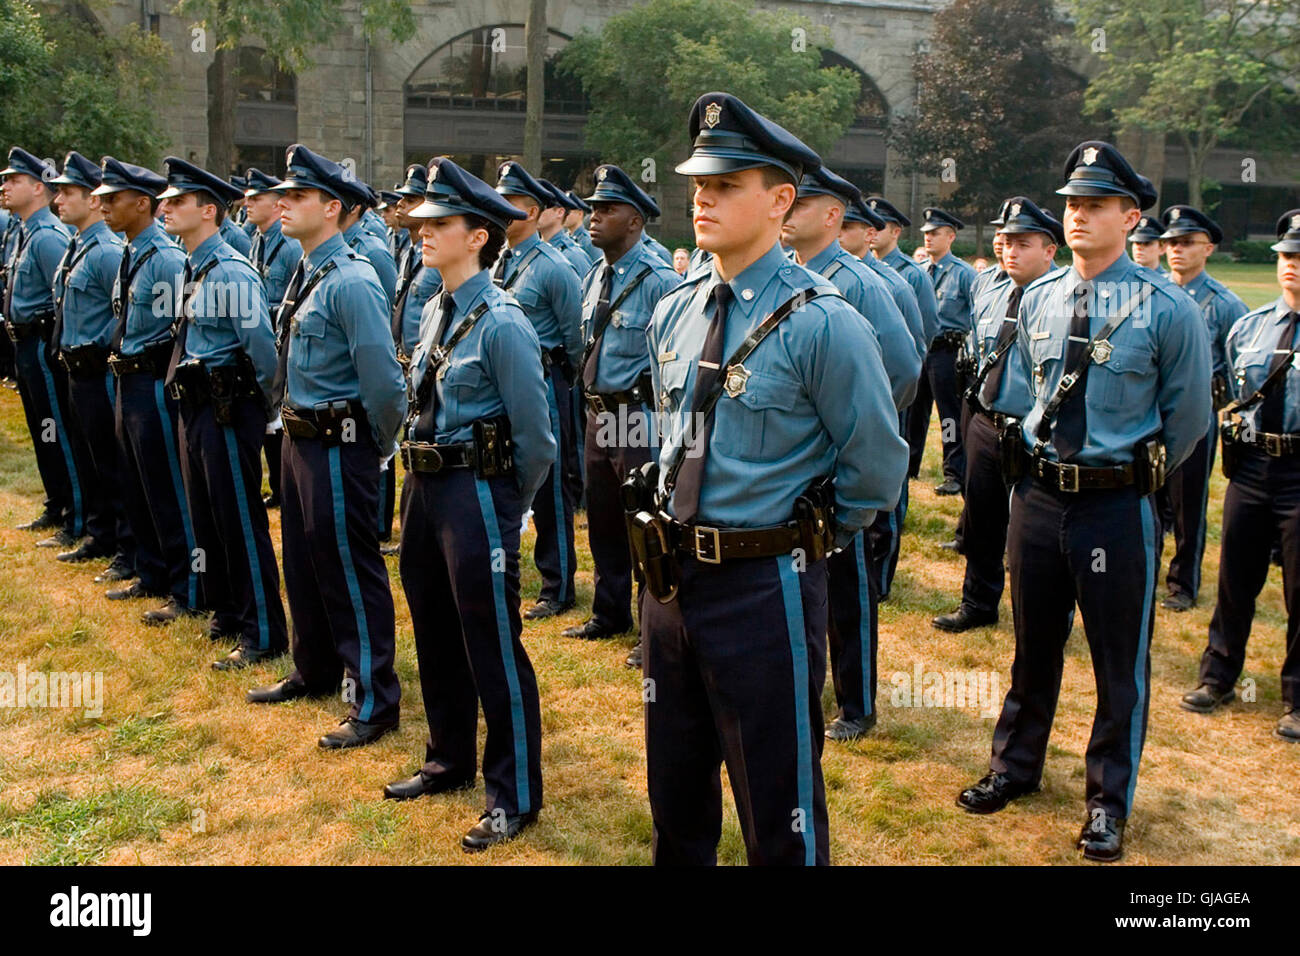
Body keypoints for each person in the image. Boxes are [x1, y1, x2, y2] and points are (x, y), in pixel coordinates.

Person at [639, 93, 907, 865]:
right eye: (699, 183)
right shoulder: (678, 307)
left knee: (777, 804)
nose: (702, 197)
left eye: (725, 184)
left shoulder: (823, 320)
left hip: (767, 587)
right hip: (669, 580)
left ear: (781, 199)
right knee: (676, 796)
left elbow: (875, 467)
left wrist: (804, 534)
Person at [956, 142, 1210, 863]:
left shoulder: (1168, 310)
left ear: (1131, 218)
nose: (1078, 217)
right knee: (1032, 644)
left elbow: (1188, 419)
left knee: (1116, 661)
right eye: (1071, 205)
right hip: (1037, 498)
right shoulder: (1037, 297)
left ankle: (1107, 800)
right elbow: (1020, 396)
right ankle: (1014, 765)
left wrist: (1124, 472)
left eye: (1095, 206)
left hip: (1112, 504)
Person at [381, 156, 555, 853]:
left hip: (477, 490)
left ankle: (513, 793)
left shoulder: (503, 322)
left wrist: (512, 508)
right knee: (432, 624)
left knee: (491, 641)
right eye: (422, 221)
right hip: (425, 487)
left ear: (479, 235)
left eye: (440, 223)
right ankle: (447, 756)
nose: (423, 231)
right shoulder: (434, 307)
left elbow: (537, 437)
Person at [245, 145, 407, 749]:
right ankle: (313, 669)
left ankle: (373, 698)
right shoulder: (309, 269)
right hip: (299, 438)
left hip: (340, 445)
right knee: (305, 561)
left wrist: (377, 446)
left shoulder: (355, 279)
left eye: (296, 197)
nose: (282, 204)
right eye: (281, 195)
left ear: (332, 207)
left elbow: (385, 384)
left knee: (347, 567)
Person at [781, 163, 921, 742]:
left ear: (834, 215)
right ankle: (804, 687)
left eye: (802, 204)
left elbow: (905, 368)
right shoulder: (786, 276)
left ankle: (857, 701)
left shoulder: (860, 283)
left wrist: (859, 431)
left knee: (848, 585)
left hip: (838, 466)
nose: (787, 213)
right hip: (796, 467)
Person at [158, 157, 288, 669]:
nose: (165, 207)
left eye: (177, 201)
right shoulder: (195, 264)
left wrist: (265, 406)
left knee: (238, 517)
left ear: (208, 210)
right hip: (197, 407)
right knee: (208, 515)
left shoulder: (231, 269)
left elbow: (262, 348)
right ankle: (229, 610)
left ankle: (264, 631)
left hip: (228, 409)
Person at [1181, 209, 1300, 742]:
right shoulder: (1250, 327)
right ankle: (1218, 675)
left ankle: (1297, 697)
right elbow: (1231, 390)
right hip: (1252, 470)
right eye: (1287, 257)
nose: (1292, 266)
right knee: (1235, 578)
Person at [560, 164, 679, 664]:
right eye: (592, 208)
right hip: (597, 414)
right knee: (604, 518)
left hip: (636, 416)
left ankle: (650, 624)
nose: (593, 217)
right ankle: (609, 612)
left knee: (642, 521)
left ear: (635, 220)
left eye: (607, 210)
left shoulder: (659, 279)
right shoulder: (595, 274)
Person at [933, 197, 1062, 633]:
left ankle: (1044, 617)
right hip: (987, 421)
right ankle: (978, 602)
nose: (1010, 250)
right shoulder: (987, 286)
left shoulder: (1066, 299)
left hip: (1036, 431)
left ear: (1050, 250)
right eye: (1005, 241)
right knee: (982, 517)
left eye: (1023, 243)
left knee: (1038, 533)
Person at [95, 156, 203, 622]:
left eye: (113, 198)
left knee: (166, 487)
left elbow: (182, 327)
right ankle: (153, 570)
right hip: (127, 379)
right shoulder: (133, 251)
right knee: (137, 482)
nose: (104, 206)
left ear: (142, 203)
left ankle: (186, 587)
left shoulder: (165, 258)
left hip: (154, 381)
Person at [493, 160, 583, 620]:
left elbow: (574, 337)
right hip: (507, 382)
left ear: (531, 210)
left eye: (509, 202)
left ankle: (559, 583)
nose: (500, 209)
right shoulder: (502, 261)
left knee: (551, 486)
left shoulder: (554, 267)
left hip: (546, 382)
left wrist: (561, 380)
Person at [1156, 205, 1247, 611]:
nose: (1176, 250)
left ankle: (1183, 583)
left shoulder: (1224, 303)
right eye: (1171, 242)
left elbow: (1240, 365)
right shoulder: (1150, 291)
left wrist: (1213, 395)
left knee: (1187, 501)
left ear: (1207, 248)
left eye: (1186, 243)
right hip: (1147, 411)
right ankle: (1143, 566)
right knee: (1148, 494)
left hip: (1194, 414)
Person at [49, 151, 129, 570]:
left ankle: (123, 543)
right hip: (75, 369)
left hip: (99, 371)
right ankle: (99, 533)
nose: (58, 199)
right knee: (88, 456)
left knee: (112, 462)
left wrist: (100, 349)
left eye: (67, 192)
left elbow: (123, 314)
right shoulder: (80, 247)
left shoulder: (107, 252)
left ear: (93, 200)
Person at [844, 196, 927, 602]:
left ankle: (881, 574)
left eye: (849, 227)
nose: (840, 235)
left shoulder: (893, 284)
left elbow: (912, 354)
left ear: (869, 233)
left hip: (884, 408)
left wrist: (879, 412)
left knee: (886, 501)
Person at [1, 148, 82, 547]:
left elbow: (62, 296)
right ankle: (57, 503)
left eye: (13, 180)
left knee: (57, 431)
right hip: (23, 344)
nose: (4, 186)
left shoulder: (47, 235)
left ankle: (75, 514)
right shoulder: (25, 231)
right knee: (41, 429)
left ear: (38, 188)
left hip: (41, 342)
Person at [244, 167, 303, 511]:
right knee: (269, 423)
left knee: (280, 422)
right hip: (261, 342)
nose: (249, 203)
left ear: (277, 203)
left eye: (257, 197)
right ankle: (278, 489)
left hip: (283, 345)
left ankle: (285, 489)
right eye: (248, 197)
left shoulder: (291, 246)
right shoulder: (257, 241)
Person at [907, 207, 977, 496]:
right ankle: (909, 465)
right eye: (926, 234)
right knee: (913, 411)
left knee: (948, 416)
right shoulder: (920, 272)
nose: (928, 238)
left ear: (950, 236)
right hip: (922, 348)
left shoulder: (963, 274)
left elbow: (976, 316)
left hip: (948, 353)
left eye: (935, 233)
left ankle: (953, 471)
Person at [539, 180, 596, 277]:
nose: (536, 212)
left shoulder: (575, 256)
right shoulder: (536, 251)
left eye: (543, 207)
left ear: (560, 212)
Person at [563, 191, 599, 265]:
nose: (564, 215)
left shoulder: (589, 241)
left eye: (568, 212)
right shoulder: (565, 238)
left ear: (580, 214)